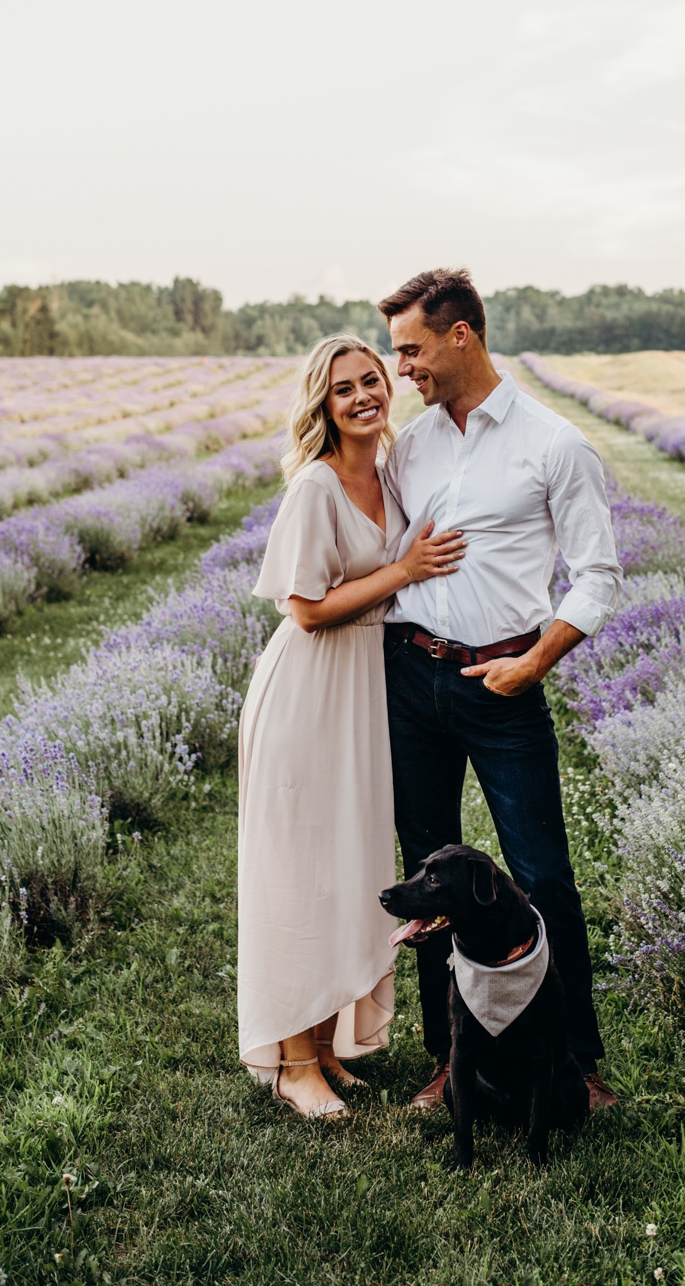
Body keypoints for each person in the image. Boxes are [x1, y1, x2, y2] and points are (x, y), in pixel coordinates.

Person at [375, 268, 625, 1114]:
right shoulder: (412, 446)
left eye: (410, 348)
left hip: (504, 680)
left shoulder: (555, 445)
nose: (399, 366)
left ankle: (577, 1067)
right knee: (425, 884)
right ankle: (450, 1061)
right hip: (410, 676)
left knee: (543, 877)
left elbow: (597, 576)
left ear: (461, 336)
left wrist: (536, 663)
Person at [238, 334, 466, 1118]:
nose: (365, 395)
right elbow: (303, 610)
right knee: (302, 868)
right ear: (322, 405)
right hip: (310, 689)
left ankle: (328, 1047)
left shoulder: (391, 469)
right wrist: (402, 571)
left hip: (365, 690)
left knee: (346, 863)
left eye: (373, 379)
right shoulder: (315, 486)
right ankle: (293, 1062)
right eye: (345, 389)